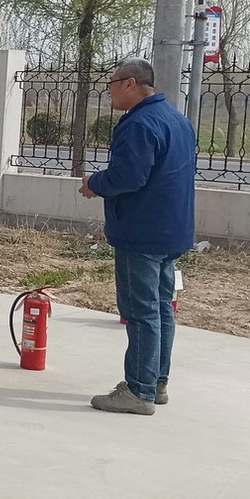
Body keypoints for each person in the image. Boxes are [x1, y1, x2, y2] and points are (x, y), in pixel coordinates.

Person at [79, 59, 196, 415]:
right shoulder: (176, 119)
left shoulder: (139, 123)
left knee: (141, 312)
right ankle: (156, 383)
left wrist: (94, 183)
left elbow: (129, 176)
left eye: (112, 83)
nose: (109, 91)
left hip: (141, 231)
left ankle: (139, 391)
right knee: (161, 308)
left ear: (130, 83)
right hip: (171, 230)